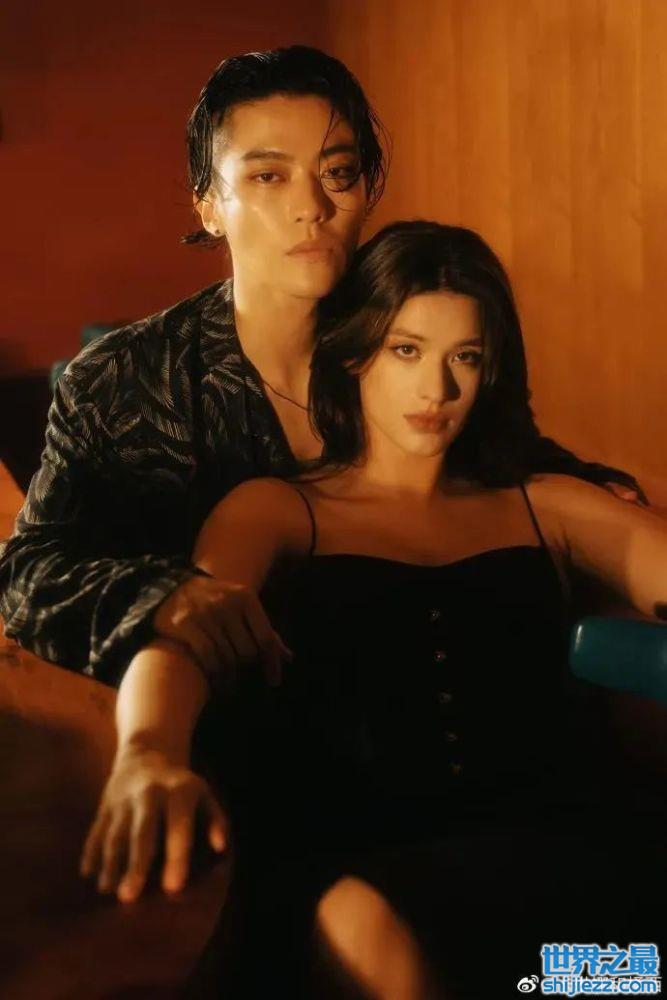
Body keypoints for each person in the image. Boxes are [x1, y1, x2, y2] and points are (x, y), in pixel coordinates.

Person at [80, 222, 667, 999]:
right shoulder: (276, 513)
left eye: (465, 357)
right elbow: (185, 635)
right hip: (362, 874)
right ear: (355, 352)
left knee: (606, 980)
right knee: (365, 931)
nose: (437, 390)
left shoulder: (544, 503)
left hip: (561, 882)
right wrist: (147, 753)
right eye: (407, 350)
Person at [0, 46, 643, 693]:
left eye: (337, 172)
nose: (311, 205)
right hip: (226, 722)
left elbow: (501, 449)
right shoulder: (125, 379)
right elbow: (25, 574)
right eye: (268, 176)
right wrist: (164, 597)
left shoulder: (411, 332)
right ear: (208, 205)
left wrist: (598, 491)